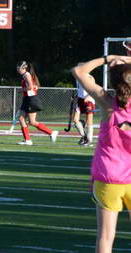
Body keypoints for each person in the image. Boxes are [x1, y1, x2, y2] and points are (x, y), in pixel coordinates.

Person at [72, 55, 131, 253]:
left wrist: (109, 58)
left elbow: (79, 70)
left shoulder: (108, 104)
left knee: (105, 237)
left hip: (108, 178)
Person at [16, 61, 58, 145]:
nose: (17, 70)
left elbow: (30, 87)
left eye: (18, 68)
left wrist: (21, 90)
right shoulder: (26, 75)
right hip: (27, 99)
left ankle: (51, 133)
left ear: (23, 68)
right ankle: (27, 140)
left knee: (32, 122)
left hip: (31, 100)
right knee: (21, 118)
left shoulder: (26, 75)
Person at [73, 69, 96, 146]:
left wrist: (88, 96)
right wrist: (76, 96)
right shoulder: (77, 78)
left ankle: (89, 140)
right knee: (75, 120)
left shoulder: (89, 77)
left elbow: (93, 89)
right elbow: (80, 89)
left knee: (89, 121)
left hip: (89, 100)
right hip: (80, 100)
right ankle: (84, 137)